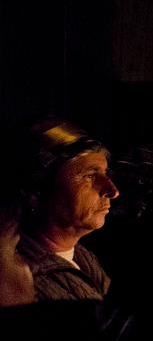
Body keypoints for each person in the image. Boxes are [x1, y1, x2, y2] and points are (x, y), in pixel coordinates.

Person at [15, 119, 120, 302]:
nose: (113, 191)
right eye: (89, 176)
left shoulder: (81, 256)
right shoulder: (22, 284)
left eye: (105, 174)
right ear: (36, 191)